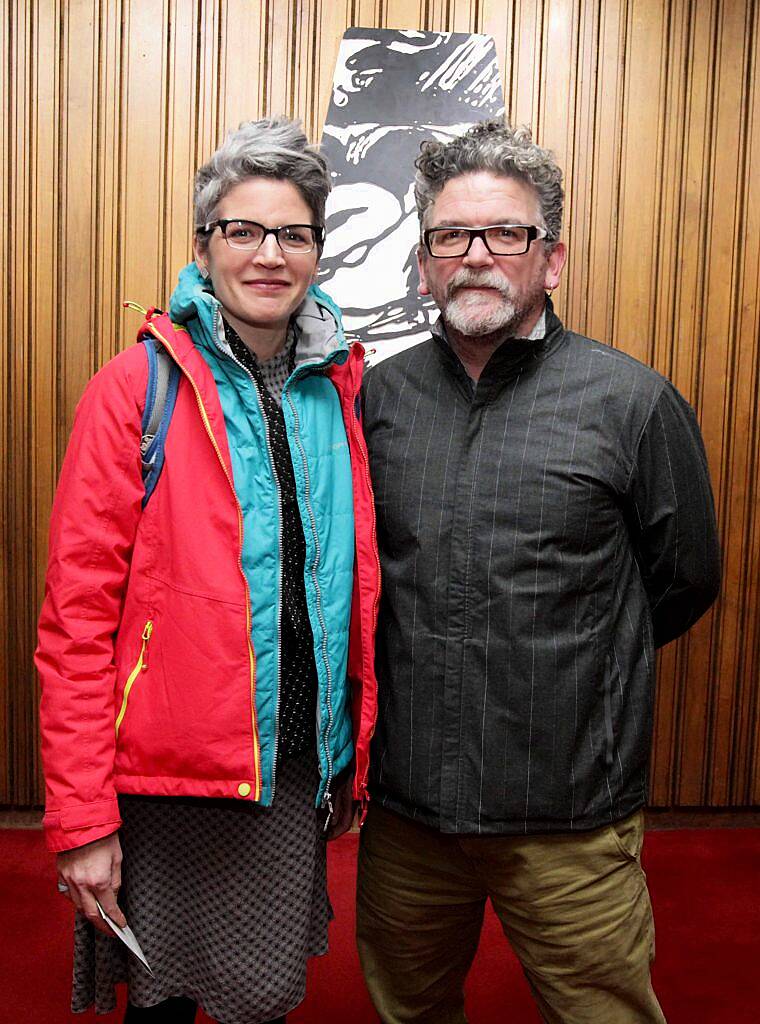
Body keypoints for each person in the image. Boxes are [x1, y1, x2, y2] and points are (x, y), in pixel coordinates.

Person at [357, 120, 721, 1024]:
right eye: (450, 236)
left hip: (569, 817)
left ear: (550, 260)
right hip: (408, 817)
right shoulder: (375, 399)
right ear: (424, 262)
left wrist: (571, 664)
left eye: (505, 234)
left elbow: (682, 580)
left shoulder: (631, 402)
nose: (475, 256)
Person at [36, 117, 379, 1024]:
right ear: (203, 246)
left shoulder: (339, 385)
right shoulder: (137, 387)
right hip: (166, 780)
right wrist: (82, 819)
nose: (269, 254)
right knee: (162, 1002)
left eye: (294, 233)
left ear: (317, 250)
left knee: (260, 1002)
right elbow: (76, 621)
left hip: (288, 769)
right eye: (243, 230)